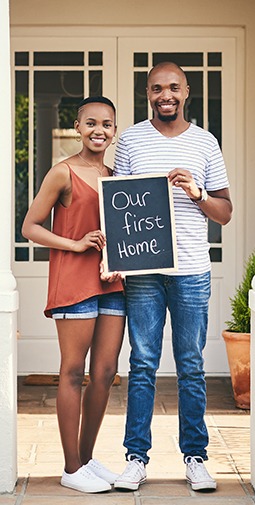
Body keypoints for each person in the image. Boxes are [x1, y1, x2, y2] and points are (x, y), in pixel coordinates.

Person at [113, 62, 232, 492]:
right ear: (147, 92)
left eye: (174, 87)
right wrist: (118, 257)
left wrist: (196, 192)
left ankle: (195, 457)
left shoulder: (205, 142)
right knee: (142, 364)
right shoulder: (130, 140)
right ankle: (135, 458)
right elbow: (119, 208)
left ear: (187, 92)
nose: (166, 94)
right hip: (144, 270)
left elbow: (226, 211)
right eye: (158, 88)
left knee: (191, 365)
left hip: (192, 272)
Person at [22, 96, 126, 494]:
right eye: (92, 123)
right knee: (72, 371)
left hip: (111, 283)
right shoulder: (62, 173)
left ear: (115, 131)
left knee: (104, 374)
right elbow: (30, 227)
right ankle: (69, 467)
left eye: (108, 124)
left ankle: (85, 460)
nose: (100, 130)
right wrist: (76, 244)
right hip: (73, 285)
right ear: (78, 126)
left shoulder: (118, 178)